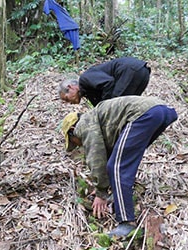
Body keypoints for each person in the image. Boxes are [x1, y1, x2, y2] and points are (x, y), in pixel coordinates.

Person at [61, 96, 178, 238]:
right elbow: (110, 155)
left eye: (74, 142)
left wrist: (101, 192)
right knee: (121, 163)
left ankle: (126, 222)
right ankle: (120, 197)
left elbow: (96, 156)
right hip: (161, 111)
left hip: (144, 114)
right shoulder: (100, 120)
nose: (78, 145)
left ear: (72, 129)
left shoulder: (84, 124)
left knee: (118, 167)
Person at [59, 57, 151, 106]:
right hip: (143, 71)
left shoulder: (84, 79)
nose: (70, 102)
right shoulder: (87, 91)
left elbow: (108, 83)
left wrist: (105, 105)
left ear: (70, 87)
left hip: (129, 70)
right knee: (128, 106)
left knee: (115, 106)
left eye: (67, 99)